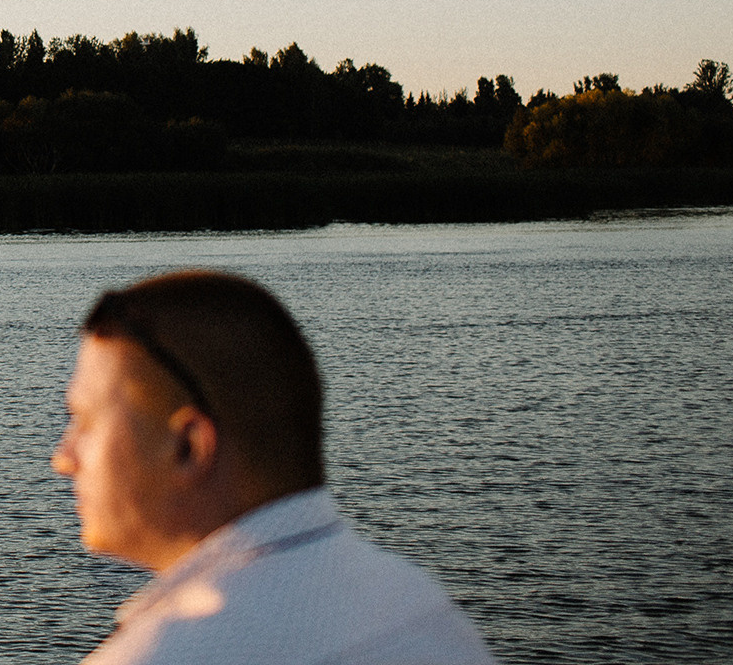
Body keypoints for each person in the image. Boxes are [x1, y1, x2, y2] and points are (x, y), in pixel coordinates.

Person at [50, 270, 494, 664]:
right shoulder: (421, 607)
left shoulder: (165, 653)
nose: (63, 459)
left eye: (83, 422)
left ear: (189, 447)